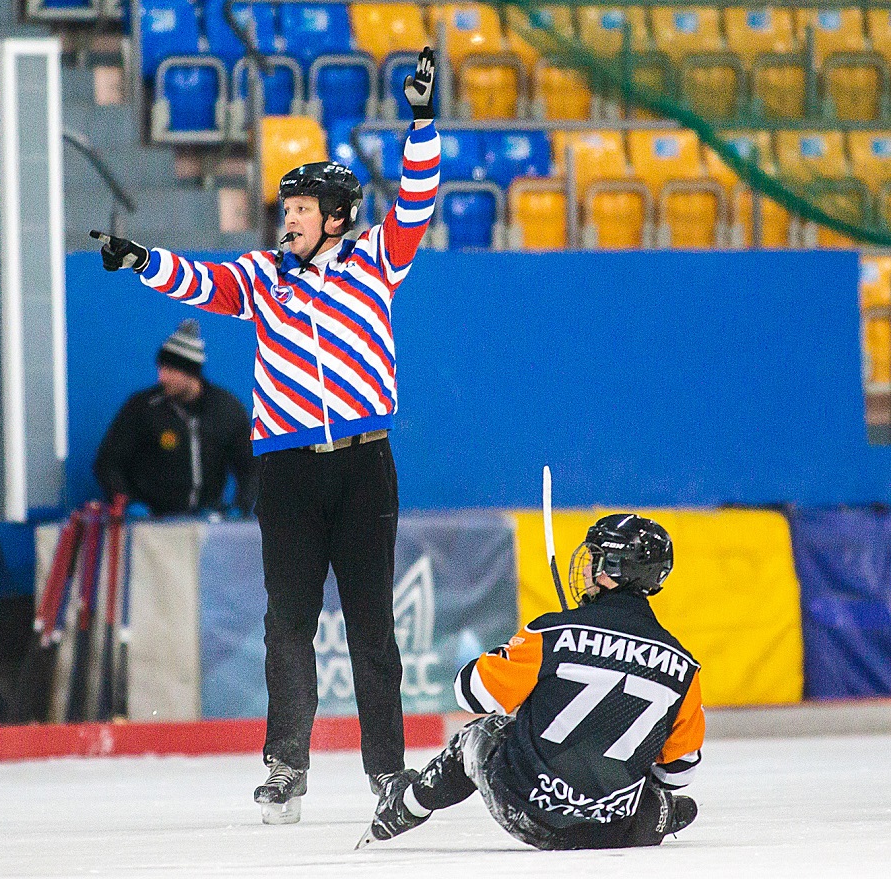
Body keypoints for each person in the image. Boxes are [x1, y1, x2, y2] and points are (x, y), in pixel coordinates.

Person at [94, 49, 442, 823]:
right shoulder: (264, 275)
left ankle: (389, 772)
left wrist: (421, 123)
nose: (287, 218)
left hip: (363, 468)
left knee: (371, 624)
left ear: (338, 218)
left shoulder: (378, 262)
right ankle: (286, 766)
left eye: (301, 208)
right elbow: (205, 282)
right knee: (287, 620)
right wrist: (145, 261)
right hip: (285, 472)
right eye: (285, 208)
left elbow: (416, 201)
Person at [361, 514, 704, 851]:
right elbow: (677, 773)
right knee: (656, 798)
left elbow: (471, 692)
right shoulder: (685, 666)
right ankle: (656, 815)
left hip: (529, 810)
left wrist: (515, 653)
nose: (586, 569)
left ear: (611, 570)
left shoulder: (553, 633)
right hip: (610, 831)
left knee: (480, 733)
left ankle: (402, 808)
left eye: (594, 559)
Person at [93, 319, 256, 518]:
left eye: (170, 370)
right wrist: (128, 502)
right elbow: (108, 463)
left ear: (191, 372)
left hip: (208, 523)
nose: (162, 378)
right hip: (154, 524)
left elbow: (250, 467)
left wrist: (242, 506)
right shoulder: (143, 408)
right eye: (161, 369)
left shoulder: (226, 409)